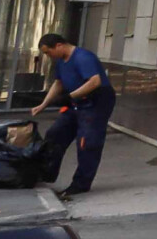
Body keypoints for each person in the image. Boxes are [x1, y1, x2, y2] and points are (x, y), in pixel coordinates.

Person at [33, 32, 115, 197]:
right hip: (76, 103)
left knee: (87, 142)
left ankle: (81, 184)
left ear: (59, 45)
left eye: (48, 52)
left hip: (95, 103)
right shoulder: (61, 61)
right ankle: (46, 173)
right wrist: (44, 104)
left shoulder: (83, 57)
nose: (48, 56)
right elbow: (58, 83)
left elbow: (95, 81)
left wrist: (70, 97)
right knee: (55, 134)